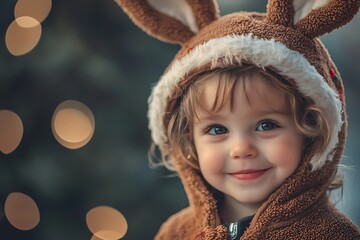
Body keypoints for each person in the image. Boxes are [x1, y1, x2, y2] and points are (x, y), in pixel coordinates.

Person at [115, 0, 360, 239]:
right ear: (189, 141)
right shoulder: (177, 233)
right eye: (217, 129)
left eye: (266, 125)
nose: (241, 149)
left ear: (311, 131)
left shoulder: (333, 234)